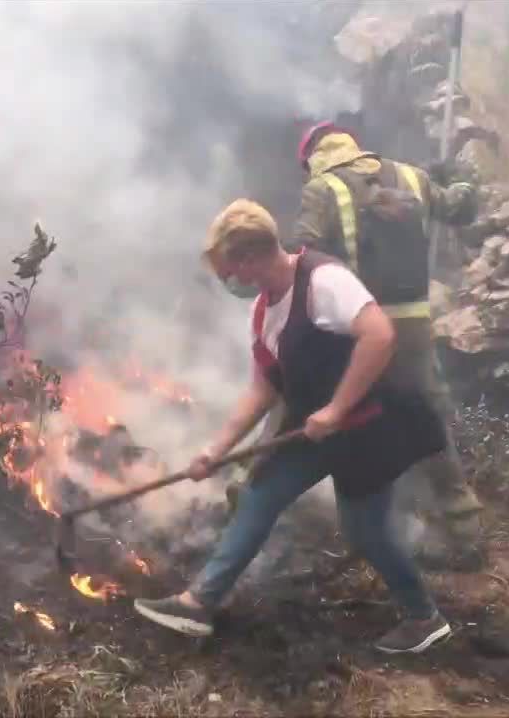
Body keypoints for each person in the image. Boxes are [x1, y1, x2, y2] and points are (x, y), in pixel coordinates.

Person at [133, 199, 452, 654]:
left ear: (250, 259)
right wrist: (216, 450)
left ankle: (424, 618)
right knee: (259, 495)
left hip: (371, 429)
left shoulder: (324, 281)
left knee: (366, 530)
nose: (229, 282)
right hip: (315, 431)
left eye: (229, 272)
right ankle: (197, 603)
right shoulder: (264, 312)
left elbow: (380, 335)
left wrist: (338, 408)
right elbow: (262, 390)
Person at [283, 121, 484, 539]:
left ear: (313, 158)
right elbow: (460, 209)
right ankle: (463, 524)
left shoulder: (322, 189)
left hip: (357, 328)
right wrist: (464, 173)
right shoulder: (412, 175)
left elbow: (303, 255)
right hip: (412, 323)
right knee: (427, 414)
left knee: (300, 401)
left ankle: (252, 494)